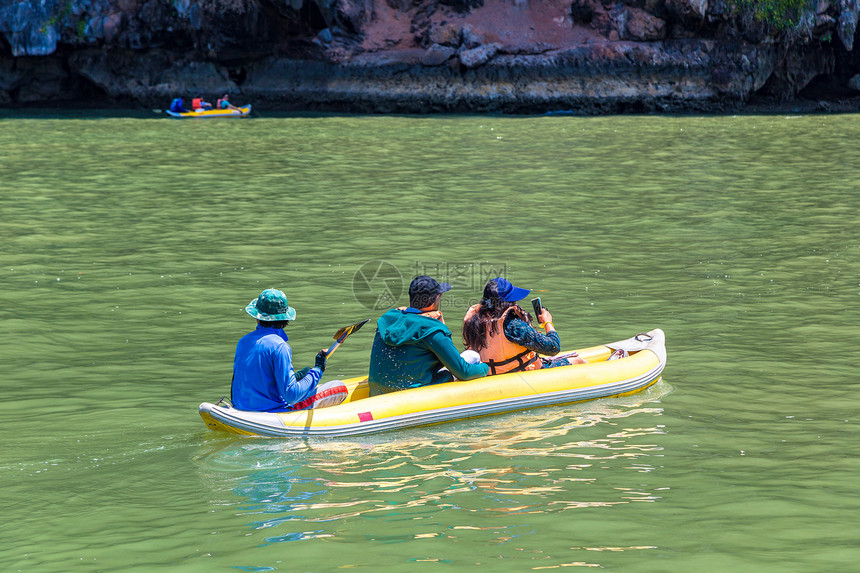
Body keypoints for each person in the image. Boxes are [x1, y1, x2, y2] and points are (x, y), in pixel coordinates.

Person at [368, 276, 490, 395]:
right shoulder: (433, 329)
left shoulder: (387, 321)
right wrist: (485, 368)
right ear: (436, 299)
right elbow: (464, 372)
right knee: (472, 357)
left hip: (378, 392)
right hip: (414, 396)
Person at [231, 288, 347, 412]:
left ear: (258, 317)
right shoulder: (280, 347)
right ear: (285, 319)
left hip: (241, 407)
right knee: (339, 387)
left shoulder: (243, 341)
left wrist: (298, 377)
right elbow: (291, 396)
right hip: (271, 412)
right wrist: (317, 369)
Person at [462, 277, 586, 375]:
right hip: (518, 374)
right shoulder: (513, 325)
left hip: (491, 374)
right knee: (578, 361)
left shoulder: (473, 321)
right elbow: (554, 347)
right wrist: (548, 322)